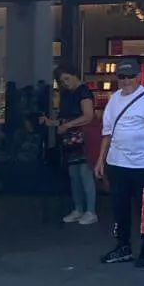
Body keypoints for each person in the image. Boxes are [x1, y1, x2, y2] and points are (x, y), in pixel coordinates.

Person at [96, 59, 144, 268]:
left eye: (129, 77)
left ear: (138, 77)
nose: (126, 81)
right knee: (120, 208)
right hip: (117, 162)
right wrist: (101, 159)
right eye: (122, 77)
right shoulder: (114, 99)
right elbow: (107, 132)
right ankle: (123, 246)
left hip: (143, 164)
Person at [43, 66, 97, 225]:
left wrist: (67, 125)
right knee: (74, 175)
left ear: (74, 75)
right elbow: (65, 119)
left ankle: (91, 210)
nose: (65, 83)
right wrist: (51, 123)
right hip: (70, 139)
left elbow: (88, 116)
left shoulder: (83, 91)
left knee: (85, 174)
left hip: (83, 137)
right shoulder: (67, 94)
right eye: (62, 81)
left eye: (67, 79)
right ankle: (78, 208)